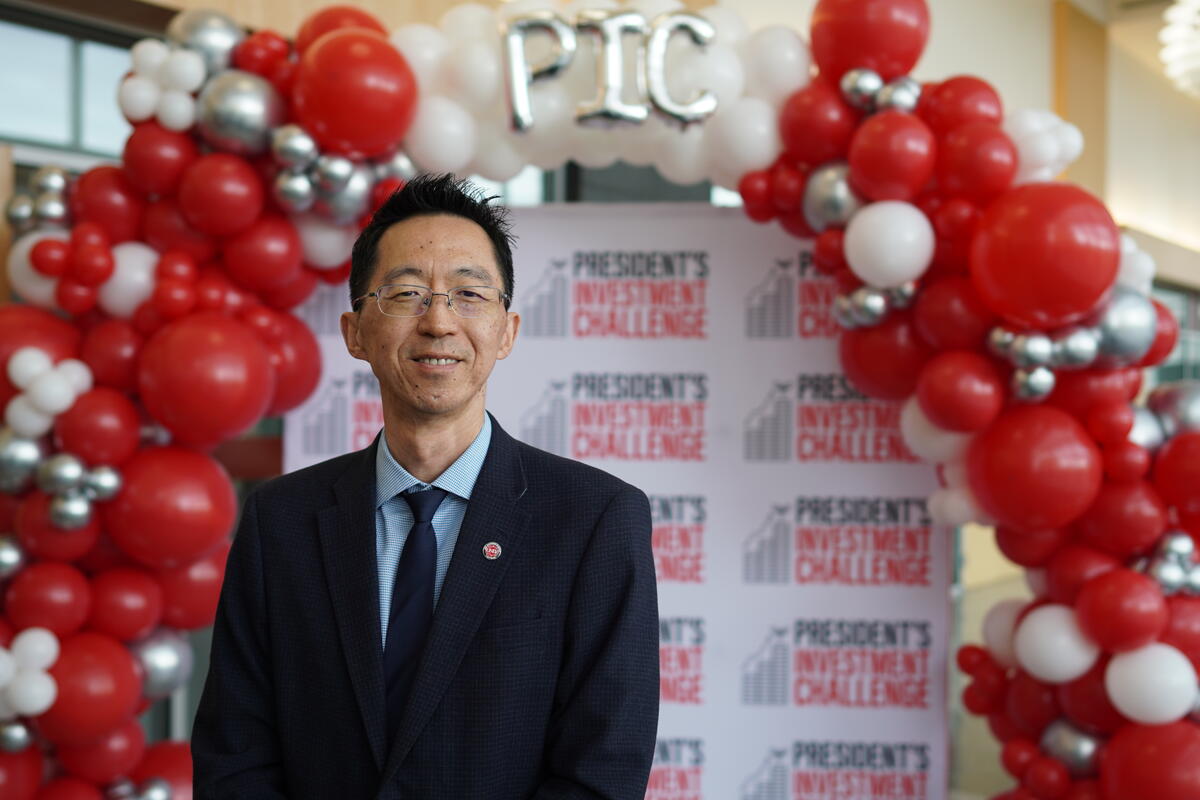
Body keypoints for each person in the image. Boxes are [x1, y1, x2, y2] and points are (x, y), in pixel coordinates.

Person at [191, 174, 660, 799]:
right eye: (407, 293)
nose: (439, 321)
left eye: (469, 294)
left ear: (507, 331)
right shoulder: (281, 521)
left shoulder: (595, 519)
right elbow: (236, 755)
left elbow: (602, 768)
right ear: (355, 332)